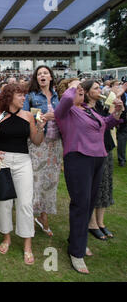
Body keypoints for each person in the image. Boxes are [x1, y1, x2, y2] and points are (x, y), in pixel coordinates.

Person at [54, 81, 123, 274]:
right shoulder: (65, 111)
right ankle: (76, 252)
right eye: (78, 91)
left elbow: (106, 124)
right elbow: (67, 97)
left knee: (90, 203)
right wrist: (75, 85)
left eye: (82, 91)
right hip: (78, 159)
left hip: (97, 158)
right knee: (81, 203)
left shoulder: (88, 110)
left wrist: (116, 113)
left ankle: (78, 239)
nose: (80, 93)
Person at [0, 83, 47, 266]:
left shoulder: (29, 116)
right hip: (3, 160)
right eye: (20, 95)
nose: (24, 98)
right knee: (4, 202)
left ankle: (27, 244)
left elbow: (37, 141)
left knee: (24, 203)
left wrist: (41, 128)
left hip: (23, 161)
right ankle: (6, 237)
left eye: (24, 95)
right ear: (9, 97)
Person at [23, 66, 61, 237]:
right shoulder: (31, 96)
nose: (42, 76)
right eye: (39, 74)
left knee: (50, 182)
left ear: (51, 77)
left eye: (45, 73)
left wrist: (57, 116)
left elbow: (65, 116)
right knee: (36, 182)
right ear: (36, 78)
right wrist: (43, 117)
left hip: (55, 143)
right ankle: (31, 217)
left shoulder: (57, 96)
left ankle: (44, 216)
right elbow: (25, 116)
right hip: (38, 143)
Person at [83, 80, 116, 241]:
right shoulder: (83, 109)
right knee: (95, 186)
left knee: (106, 186)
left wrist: (116, 108)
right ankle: (92, 223)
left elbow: (111, 123)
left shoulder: (100, 106)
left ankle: (101, 221)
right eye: (96, 88)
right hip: (93, 150)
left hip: (106, 148)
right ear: (88, 92)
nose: (99, 90)